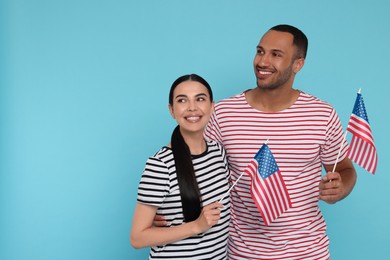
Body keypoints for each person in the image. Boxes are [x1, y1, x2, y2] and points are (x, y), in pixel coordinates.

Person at [204, 24, 357, 259]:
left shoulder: (322, 114)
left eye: (276, 54)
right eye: (260, 51)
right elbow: (198, 171)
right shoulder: (224, 113)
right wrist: (168, 210)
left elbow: (345, 169)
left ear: (298, 64)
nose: (263, 61)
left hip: (307, 251)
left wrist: (341, 186)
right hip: (242, 252)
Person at [130, 74, 231, 259]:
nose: (192, 107)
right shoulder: (160, 165)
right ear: (172, 110)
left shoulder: (219, 152)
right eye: (182, 100)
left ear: (212, 106)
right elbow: (137, 238)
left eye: (200, 99)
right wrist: (196, 225)